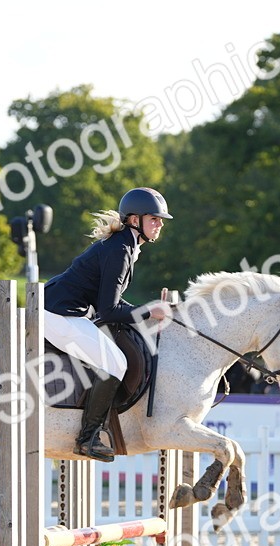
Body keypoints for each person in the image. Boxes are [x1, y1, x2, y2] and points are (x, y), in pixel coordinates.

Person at [43, 187, 174, 461]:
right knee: (115, 363)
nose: (160, 224)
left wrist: (148, 313)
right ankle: (87, 438)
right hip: (58, 313)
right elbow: (110, 310)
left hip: (64, 309)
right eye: (154, 219)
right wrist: (149, 313)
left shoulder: (125, 246)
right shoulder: (120, 249)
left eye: (161, 220)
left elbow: (112, 303)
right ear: (135, 220)